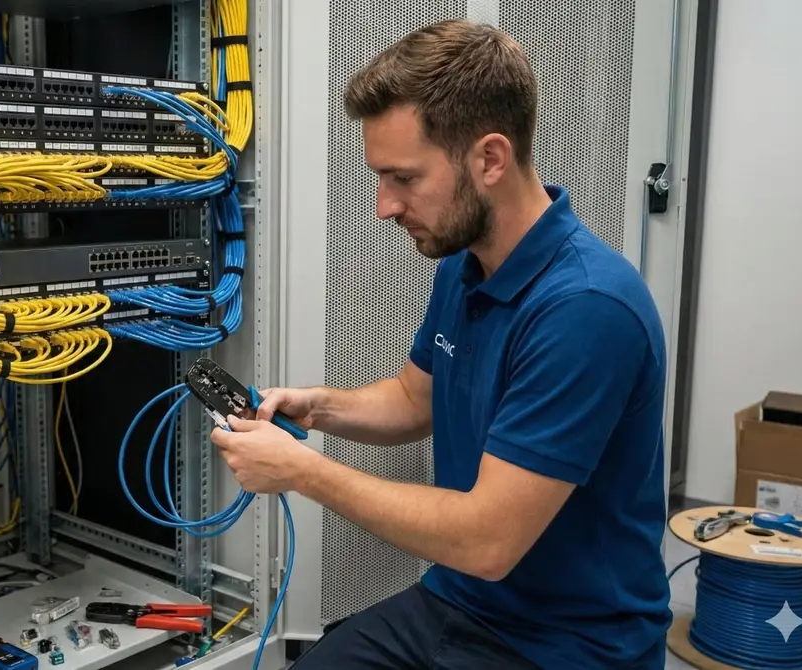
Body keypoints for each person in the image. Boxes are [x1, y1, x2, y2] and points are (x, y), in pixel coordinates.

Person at [208, 19, 672, 670]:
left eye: (403, 178)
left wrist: (302, 472)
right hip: (463, 600)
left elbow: (488, 541)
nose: (383, 206)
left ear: (490, 159)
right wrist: (317, 408)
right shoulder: (465, 264)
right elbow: (414, 398)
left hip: (572, 644)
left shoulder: (588, 310)